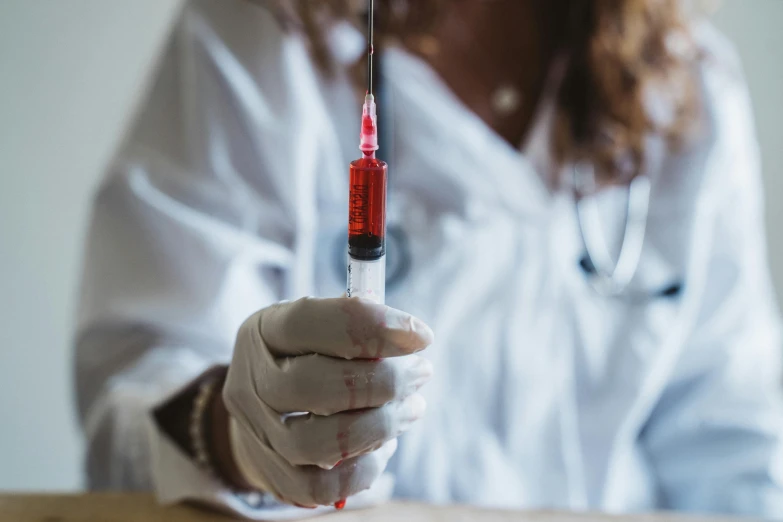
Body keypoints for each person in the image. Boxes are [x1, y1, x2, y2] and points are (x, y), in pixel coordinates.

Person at [74, 0, 783, 518]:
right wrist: (234, 435)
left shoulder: (685, 88)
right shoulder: (262, 36)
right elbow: (136, 401)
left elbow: (735, 449)